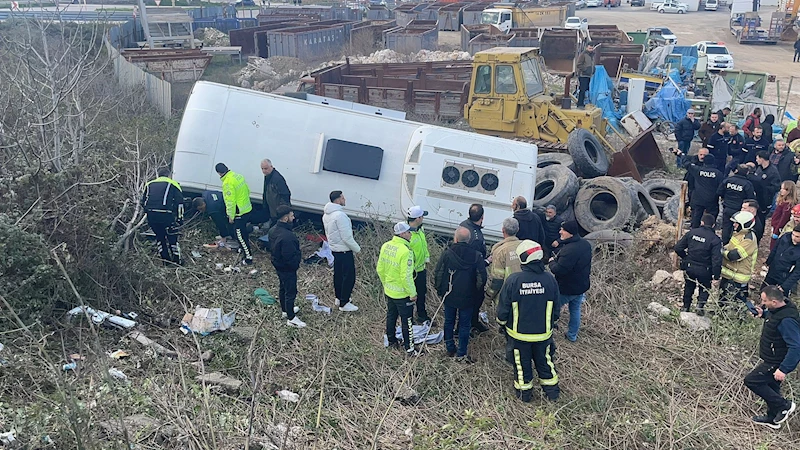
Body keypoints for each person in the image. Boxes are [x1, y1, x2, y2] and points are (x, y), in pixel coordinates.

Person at [497, 240, 560, 402]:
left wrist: (501, 323)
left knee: (521, 365)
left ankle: (525, 396)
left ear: (523, 259)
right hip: (543, 334)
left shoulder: (514, 280)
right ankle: (552, 394)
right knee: (545, 362)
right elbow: (556, 309)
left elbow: (503, 308)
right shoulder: (550, 279)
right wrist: (552, 322)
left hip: (519, 335)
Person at [745, 285, 799, 429]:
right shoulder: (778, 310)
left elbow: (796, 347)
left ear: (774, 302)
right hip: (772, 357)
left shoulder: (787, 321)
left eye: (764, 301)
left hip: (776, 361)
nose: (762, 303)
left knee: (752, 380)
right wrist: (763, 313)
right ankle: (772, 417)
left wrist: (783, 369)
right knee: (771, 386)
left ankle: (784, 406)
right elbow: (772, 316)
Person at [434, 227, 486, 363]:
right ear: (468, 240)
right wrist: (476, 292)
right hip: (468, 297)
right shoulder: (476, 256)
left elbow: (438, 273)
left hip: (450, 294)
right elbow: (482, 278)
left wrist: (440, 290)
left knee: (449, 321)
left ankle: (450, 346)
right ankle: (461, 353)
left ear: (455, 238)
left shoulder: (447, 253)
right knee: (464, 325)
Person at [376, 222, 418, 356]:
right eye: (408, 232)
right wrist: (413, 293)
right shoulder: (406, 251)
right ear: (402, 234)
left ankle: (392, 341)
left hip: (389, 290)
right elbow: (406, 276)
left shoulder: (386, 246)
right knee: (408, 321)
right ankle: (410, 349)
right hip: (403, 293)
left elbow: (380, 269)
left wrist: (386, 284)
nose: (410, 234)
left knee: (391, 316)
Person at [485, 218, 523, 365]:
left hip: (507, 296)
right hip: (524, 293)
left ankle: (510, 356)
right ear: (517, 230)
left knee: (510, 327)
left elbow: (497, 280)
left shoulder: (500, 251)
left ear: (503, 231)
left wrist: (488, 297)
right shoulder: (523, 246)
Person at [548, 220, 592, 342]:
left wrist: (552, 261)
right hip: (581, 286)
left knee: (551, 310)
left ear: (570, 233)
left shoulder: (570, 250)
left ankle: (546, 333)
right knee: (575, 310)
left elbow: (559, 270)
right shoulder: (585, 244)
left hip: (566, 289)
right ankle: (572, 335)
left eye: (563, 230)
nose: (560, 231)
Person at [674, 213, 722, 314]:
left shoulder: (692, 233)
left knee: (689, 286)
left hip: (690, 267)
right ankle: (700, 306)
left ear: (701, 222)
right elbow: (716, 260)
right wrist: (716, 276)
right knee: (704, 287)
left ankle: (686, 307)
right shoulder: (715, 239)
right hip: (705, 270)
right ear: (713, 225)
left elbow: (678, 248)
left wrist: (685, 257)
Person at [322, 191, 361, 313]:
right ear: (338, 200)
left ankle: (338, 298)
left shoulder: (326, 215)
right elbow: (346, 237)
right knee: (349, 277)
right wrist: (357, 248)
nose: (345, 199)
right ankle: (344, 302)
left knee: (338, 274)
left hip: (334, 249)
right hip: (344, 250)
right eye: (343, 197)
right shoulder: (340, 216)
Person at [268, 205, 305, 328]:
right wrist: (296, 263)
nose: (293, 217)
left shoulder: (273, 230)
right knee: (290, 291)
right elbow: (290, 257)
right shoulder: (288, 237)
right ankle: (291, 318)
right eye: (291, 215)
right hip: (287, 268)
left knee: (283, 287)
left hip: (278, 265)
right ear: (285, 218)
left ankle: (285, 310)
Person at [140, 167, 184, 265]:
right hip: (166, 214)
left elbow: (142, 201)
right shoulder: (173, 183)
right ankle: (177, 261)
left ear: (158, 175)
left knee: (160, 237)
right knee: (172, 237)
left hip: (151, 215)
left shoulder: (149, 184)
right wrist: (180, 218)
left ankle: (165, 260)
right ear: (169, 175)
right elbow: (180, 203)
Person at [216, 163, 254, 265]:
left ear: (219, 173)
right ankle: (244, 250)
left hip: (239, 212)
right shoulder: (238, 176)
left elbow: (230, 202)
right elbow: (247, 190)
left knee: (240, 235)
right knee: (243, 232)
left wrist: (231, 216)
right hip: (247, 208)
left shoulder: (227, 183)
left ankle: (248, 257)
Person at [720, 211, 759, 310]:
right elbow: (729, 246)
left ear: (744, 225)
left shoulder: (749, 240)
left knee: (739, 303)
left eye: (736, 223)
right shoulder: (738, 234)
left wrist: (722, 252)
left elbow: (734, 255)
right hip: (729, 274)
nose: (734, 225)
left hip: (739, 277)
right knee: (723, 298)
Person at [460, 204, 489, 334]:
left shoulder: (463, 225)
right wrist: (488, 261)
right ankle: (468, 324)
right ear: (482, 217)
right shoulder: (476, 237)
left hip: (462, 271)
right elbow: (477, 261)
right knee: (475, 300)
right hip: (473, 274)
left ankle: (472, 321)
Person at [717, 164, 756, 244]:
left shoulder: (728, 180)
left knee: (726, 227)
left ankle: (725, 244)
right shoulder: (747, 184)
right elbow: (750, 198)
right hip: (739, 210)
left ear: (736, 171)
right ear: (747, 172)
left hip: (727, 207)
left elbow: (719, 192)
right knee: (739, 228)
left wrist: (726, 198)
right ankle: (735, 244)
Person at [407, 205, 431, 324]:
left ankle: (421, 314)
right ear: (417, 218)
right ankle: (409, 318)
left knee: (422, 294)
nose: (423, 218)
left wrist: (427, 259)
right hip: (412, 272)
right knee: (410, 296)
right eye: (422, 216)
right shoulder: (407, 235)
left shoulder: (420, 229)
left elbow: (424, 246)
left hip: (421, 270)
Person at [684, 152, 721, 229]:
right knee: (711, 216)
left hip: (698, 199)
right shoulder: (718, 173)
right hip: (712, 200)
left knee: (696, 216)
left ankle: (694, 230)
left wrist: (681, 155)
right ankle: (710, 229)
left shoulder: (698, 170)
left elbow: (687, 164)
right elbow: (721, 186)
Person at [764, 225, 800, 296]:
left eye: (797, 237)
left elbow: (797, 272)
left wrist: (785, 286)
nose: (794, 238)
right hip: (773, 271)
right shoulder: (785, 237)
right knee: (765, 292)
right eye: (793, 234)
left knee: (779, 299)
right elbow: (775, 249)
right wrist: (768, 262)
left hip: (784, 278)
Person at [750, 150, 782, 225]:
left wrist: (765, 188)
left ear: (762, 159)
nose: (756, 160)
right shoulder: (759, 168)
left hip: (766, 199)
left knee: (761, 218)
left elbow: (776, 187)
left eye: (757, 158)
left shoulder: (773, 171)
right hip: (757, 197)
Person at [260, 159, 291, 228]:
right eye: (262, 169)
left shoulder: (277, 179)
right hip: (272, 209)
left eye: (266, 168)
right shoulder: (268, 176)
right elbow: (266, 192)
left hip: (277, 211)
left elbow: (285, 195)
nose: (264, 171)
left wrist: (281, 210)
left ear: (271, 166)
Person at [575, 42, 596, 109]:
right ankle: (580, 104)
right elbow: (578, 65)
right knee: (582, 90)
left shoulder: (592, 55)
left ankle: (585, 103)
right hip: (583, 75)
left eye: (592, 48)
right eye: (590, 48)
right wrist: (585, 69)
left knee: (587, 89)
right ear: (586, 47)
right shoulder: (583, 55)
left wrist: (593, 69)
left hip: (589, 76)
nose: (591, 49)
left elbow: (592, 64)